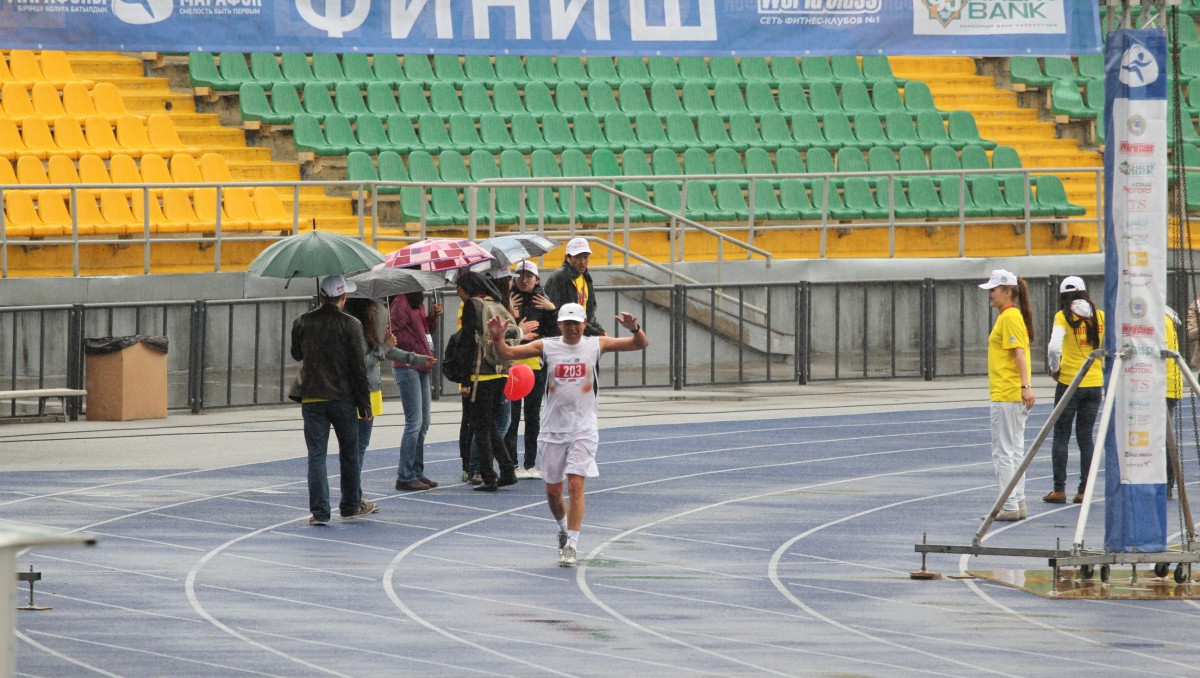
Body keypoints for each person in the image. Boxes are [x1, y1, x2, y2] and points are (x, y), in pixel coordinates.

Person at [486, 303, 649, 567]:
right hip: (552, 429)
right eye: (567, 323)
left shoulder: (596, 344)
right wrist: (496, 336)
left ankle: (572, 545)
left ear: (585, 324)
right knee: (552, 491)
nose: (572, 328)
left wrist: (635, 329)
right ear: (559, 325)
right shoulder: (546, 346)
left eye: (577, 323)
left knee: (575, 484)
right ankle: (563, 529)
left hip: (583, 427)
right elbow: (505, 353)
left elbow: (639, 344)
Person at [288, 274, 378, 526]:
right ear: (344, 296)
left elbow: (296, 354)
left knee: (316, 455)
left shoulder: (302, 321)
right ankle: (350, 506)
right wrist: (364, 404)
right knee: (348, 453)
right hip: (343, 398)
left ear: (321, 295)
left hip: (312, 397)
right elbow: (358, 368)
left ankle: (319, 512)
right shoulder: (351, 324)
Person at [344, 298, 434, 484]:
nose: (375, 309)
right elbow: (363, 363)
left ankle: (354, 490)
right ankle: (354, 491)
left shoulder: (366, 328)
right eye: (371, 305)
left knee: (360, 445)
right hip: (362, 391)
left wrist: (416, 358)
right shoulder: (355, 330)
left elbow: (387, 352)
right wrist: (385, 346)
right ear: (361, 306)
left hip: (371, 391)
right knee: (358, 445)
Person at [457, 271, 521, 492]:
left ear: (467, 288)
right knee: (489, 424)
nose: (458, 293)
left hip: (480, 373)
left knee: (480, 427)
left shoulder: (472, 306)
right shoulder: (495, 302)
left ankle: (488, 476)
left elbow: (467, 343)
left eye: (459, 288)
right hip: (501, 370)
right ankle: (507, 469)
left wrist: (464, 379)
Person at [1043, 276, 1104, 505]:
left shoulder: (1063, 317)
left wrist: (1055, 369)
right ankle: (1084, 490)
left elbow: (1053, 346)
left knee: (1061, 436)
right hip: (1094, 383)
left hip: (1069, 382)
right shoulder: (1100, 316)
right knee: (1085, 437)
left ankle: (1059, 490)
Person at [980, 269, 1035, 522]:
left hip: (1007, 393)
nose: (990, 294)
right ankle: (1017, 501)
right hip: (1011, 393)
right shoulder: (1011, 316)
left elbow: (1019, 353)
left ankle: (1009, 504)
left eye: (993, 290)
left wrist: (1025, 386)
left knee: (1003, 452)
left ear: (1007, 291)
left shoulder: (1009, 316)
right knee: (1014, 451)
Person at [505, 260, 557, 479]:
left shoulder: (543, 302)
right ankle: (512, 464)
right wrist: (510, 314)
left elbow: (555, 335)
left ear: (537, 279)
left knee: (533, 417)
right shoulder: (506, 300)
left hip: (536, 367)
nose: (524, 280)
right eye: (520, 275)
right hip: (512, 367)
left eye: (529, 276)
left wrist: (552, 310)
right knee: (512, 417)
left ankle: (529, 463)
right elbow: (501, 333)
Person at [388, 291, 443, 491]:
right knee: (414, 422)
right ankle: (405, 474)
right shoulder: (401, 302)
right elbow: (395, 335)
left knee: (424, 422)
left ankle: (416, 471)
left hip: (421, 365)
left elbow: (425, 332)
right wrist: (418, 351)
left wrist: (432, 318)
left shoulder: (417, 302)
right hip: (407, 366)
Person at [543, 237, 604, 337]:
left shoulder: (586, 277)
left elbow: (590, 311)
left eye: (586, 257)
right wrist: (592, 330)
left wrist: (599, 329)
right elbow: (553, 314)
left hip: (582, 334)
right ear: (568, 257)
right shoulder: (559, 277)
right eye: (578, 257)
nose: (583, 262)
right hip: (563, 337)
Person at [1167, 306, 1182, 499]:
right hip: (1171, 382)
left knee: (1164, 438)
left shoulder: (1157, 319)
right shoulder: (1168, 316)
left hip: (1164, 384)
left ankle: (1167, 484)